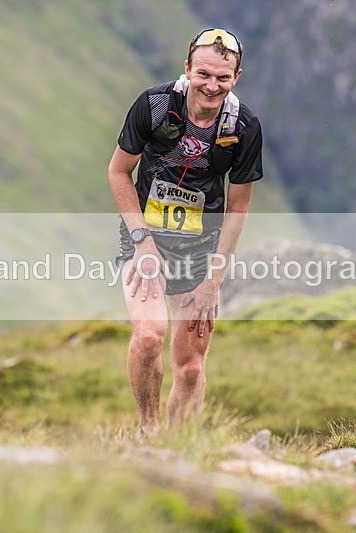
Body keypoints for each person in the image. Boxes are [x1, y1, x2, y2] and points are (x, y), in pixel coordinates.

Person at [108, 28, 263, 435]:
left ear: (236, 77)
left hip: (201, 249)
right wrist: (142, 242)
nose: (212, 86)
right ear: (188, 69)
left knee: (191, 368)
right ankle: (149, 432)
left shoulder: (243, 126)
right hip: (145, 238)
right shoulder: (155, 105)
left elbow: (238, 209)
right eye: (204, 74)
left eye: (223, 78)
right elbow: (119, 172)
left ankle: (179, 448)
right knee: (148, 336)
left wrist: (214, 281)